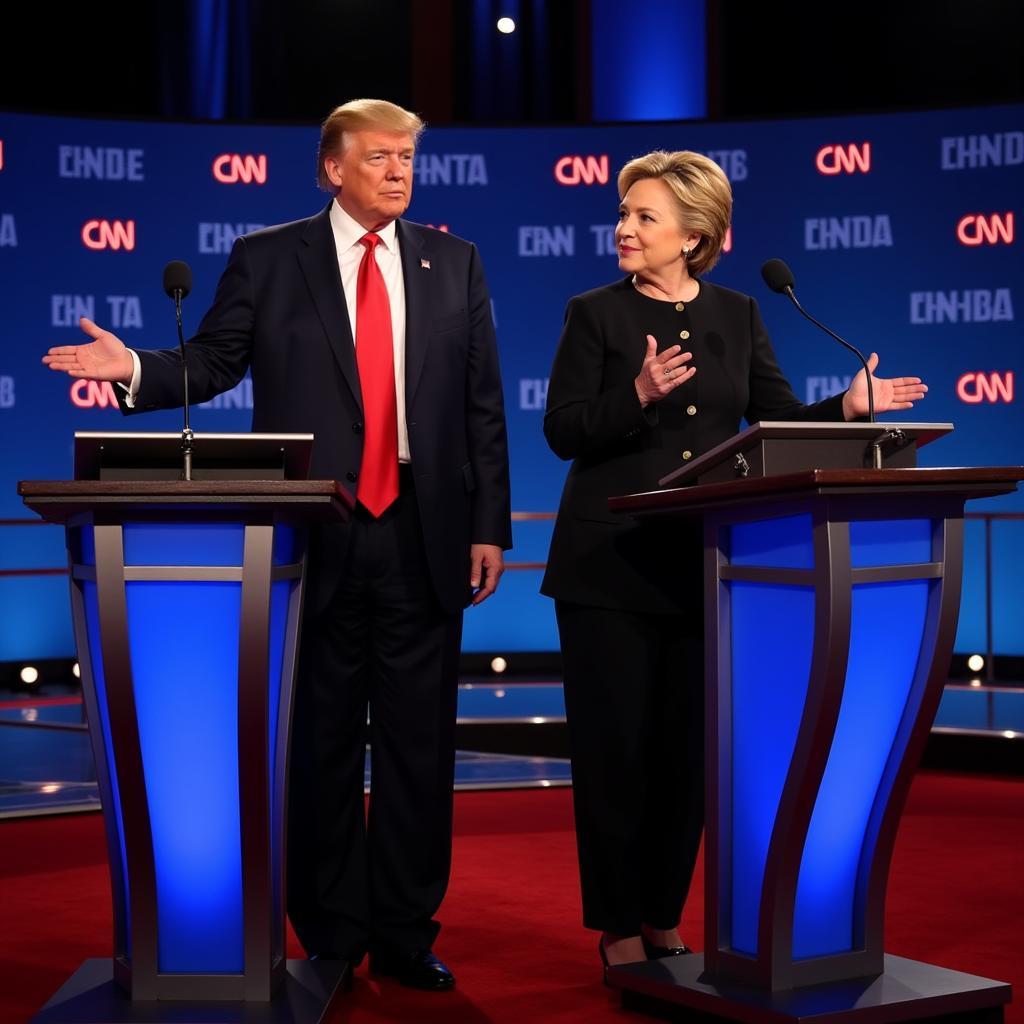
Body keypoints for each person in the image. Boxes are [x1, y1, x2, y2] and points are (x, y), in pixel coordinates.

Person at [43, 98, 512, 992]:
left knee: (421, 748)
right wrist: (135, 369)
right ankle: (331, 930)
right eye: (382, 157)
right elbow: (214, 362)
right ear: (333, 168)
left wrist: (490, 523)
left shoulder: (455, 262)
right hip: (315, 534)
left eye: (409, 157)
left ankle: (407, 933)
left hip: (424, 531)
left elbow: (481, 406)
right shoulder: (269, 258)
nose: (401, 171)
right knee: (320, 744)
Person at [539, 149, 926, 980]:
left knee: (688, 757)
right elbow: (564, 430)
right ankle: (615, 924)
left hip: (707, 568)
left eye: (645, 216)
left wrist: (846, 410)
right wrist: (635, 395)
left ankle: (660, 913)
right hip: (607, 569)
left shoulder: (740, 314)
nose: (625, 229)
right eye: (624, 214)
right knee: (618, 756)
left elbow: (777, 426)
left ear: (696, 233)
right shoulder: (594, 314)